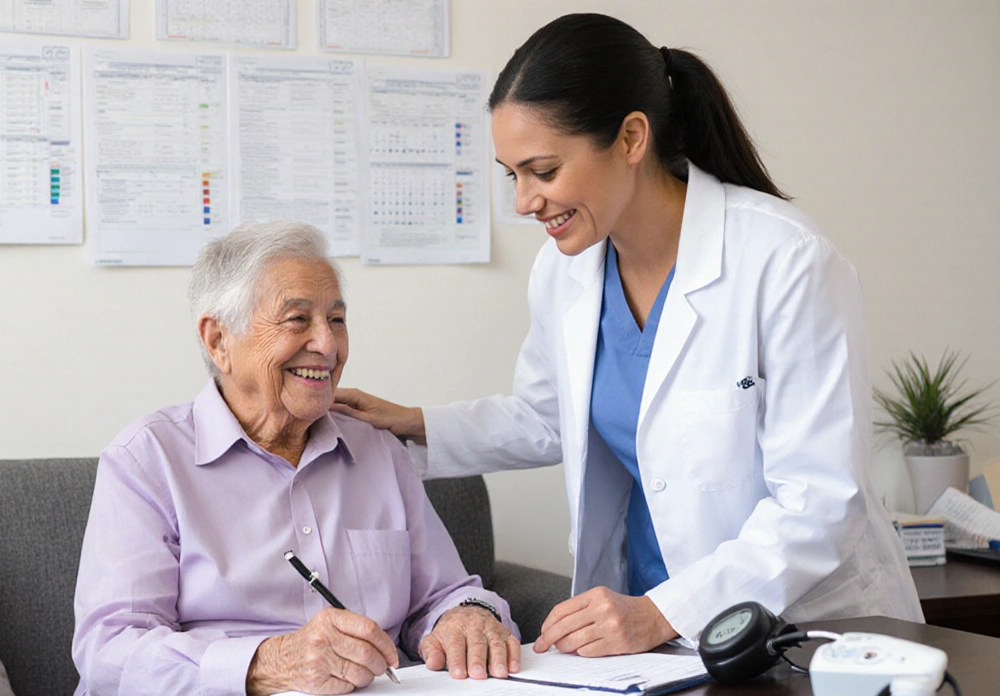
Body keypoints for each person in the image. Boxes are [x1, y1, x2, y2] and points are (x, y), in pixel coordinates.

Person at [334, 13, 923, 659]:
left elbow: (820, 501)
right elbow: (550, 417)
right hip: (649, 635)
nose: (526, 201)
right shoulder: (567, 272)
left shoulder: (783, 260)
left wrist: (664, 612)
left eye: (544, 170)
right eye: (512, 175)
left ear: (632, 137)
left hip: (804, 629)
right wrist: (413, 422)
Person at [58, 221, 520, 696]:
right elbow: (111, 655)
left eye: (337, 319)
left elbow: (442, 594)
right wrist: (267, 663)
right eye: (298, 319)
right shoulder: (147, 459)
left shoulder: (378, 453)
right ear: (217, 340)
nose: (326, 344)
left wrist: (466, 616)